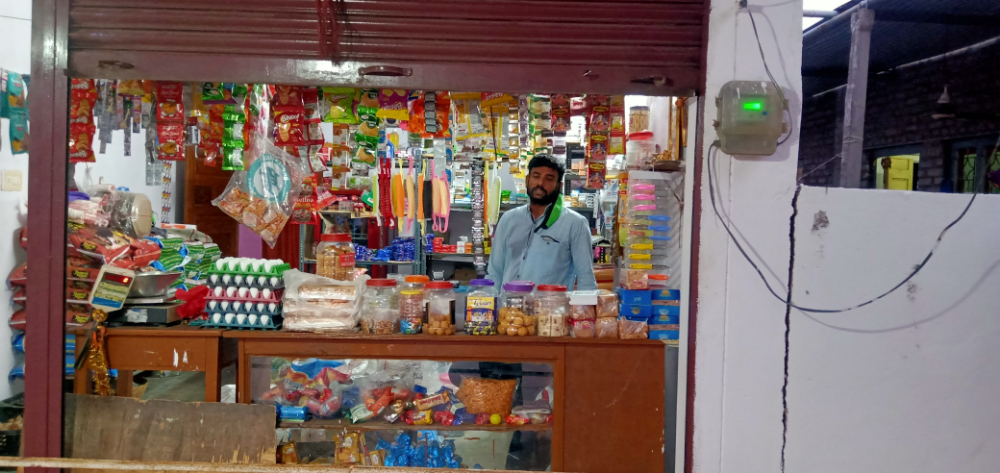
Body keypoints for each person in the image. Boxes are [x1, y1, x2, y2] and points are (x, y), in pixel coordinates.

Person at [486, 154, 597, 290]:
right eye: (536, 176)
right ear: (527, 180)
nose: (540, 183)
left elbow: (586, 280)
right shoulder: (508, 219)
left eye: (549, 179)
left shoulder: (575, 224)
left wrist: (585, 309)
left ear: (559, 185)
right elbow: (494, 273)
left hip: (549, 309)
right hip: (508, 309)